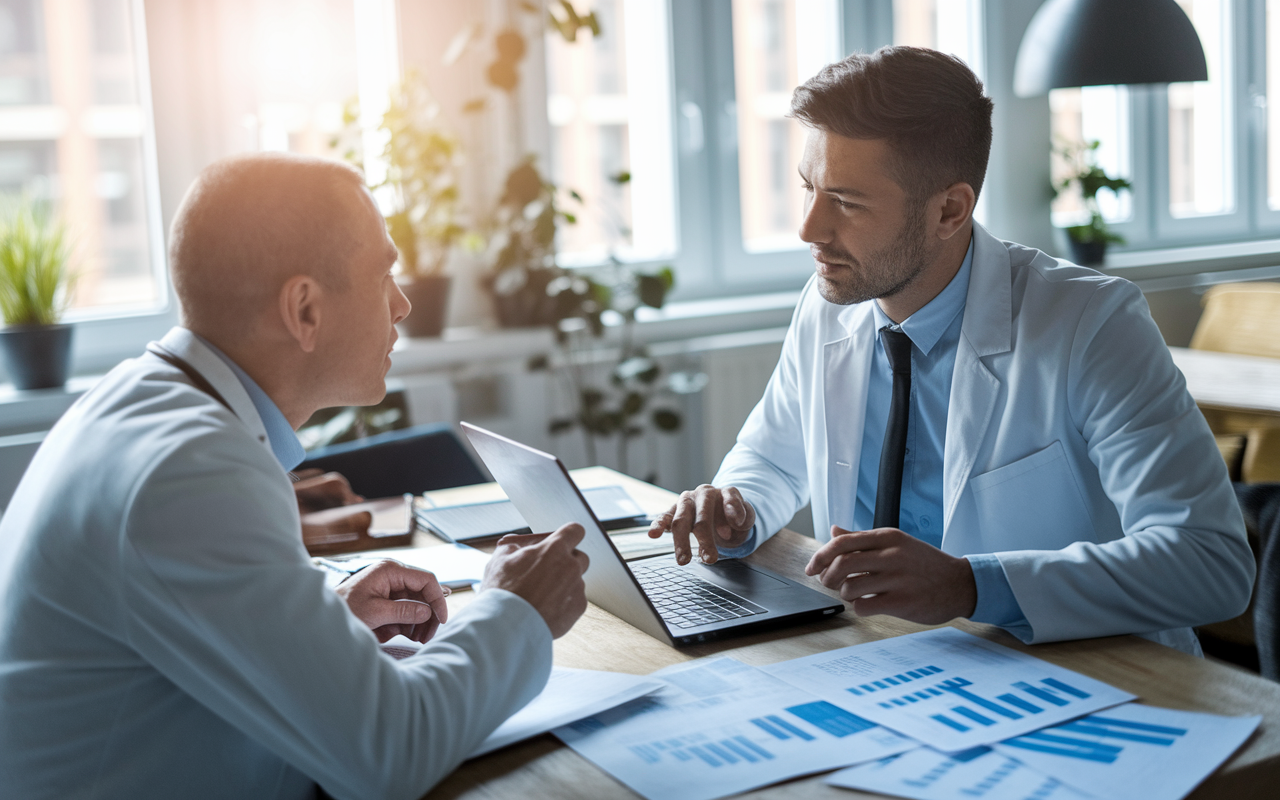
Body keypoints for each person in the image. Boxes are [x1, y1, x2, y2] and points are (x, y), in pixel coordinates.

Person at [0, 153, 590, 800]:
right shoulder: (193, 469)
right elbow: (389, 753)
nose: (402, 304)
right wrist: (517, 610)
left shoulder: (144, 400)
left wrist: (317, 625)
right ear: (304, 308)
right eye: (383, 275)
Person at [648, 46, 1253, 655]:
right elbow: (774, 459)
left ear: (949, 210)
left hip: (1083, 674)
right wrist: (736, 506)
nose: (808, 229)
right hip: (883, 657)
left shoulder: (1091, 322)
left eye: (847, 202)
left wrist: (971, 586)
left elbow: (1210, 562)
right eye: (808, 188)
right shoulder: (829, 300)